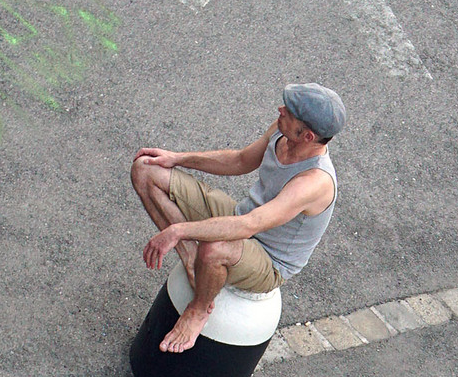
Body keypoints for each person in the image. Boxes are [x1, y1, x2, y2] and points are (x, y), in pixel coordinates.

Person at [131, 83, 344, 353]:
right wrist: (176, 158)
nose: (280, 110)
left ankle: (198, 310)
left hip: (269, 259)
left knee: (216, 247)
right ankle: (190, 258)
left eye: (288, 112)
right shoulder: (283, 132)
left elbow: (249, 225)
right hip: (241, 217)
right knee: (145, 170)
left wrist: (177, 231)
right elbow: (240, 160)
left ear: (308, 136)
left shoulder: (314, 182)